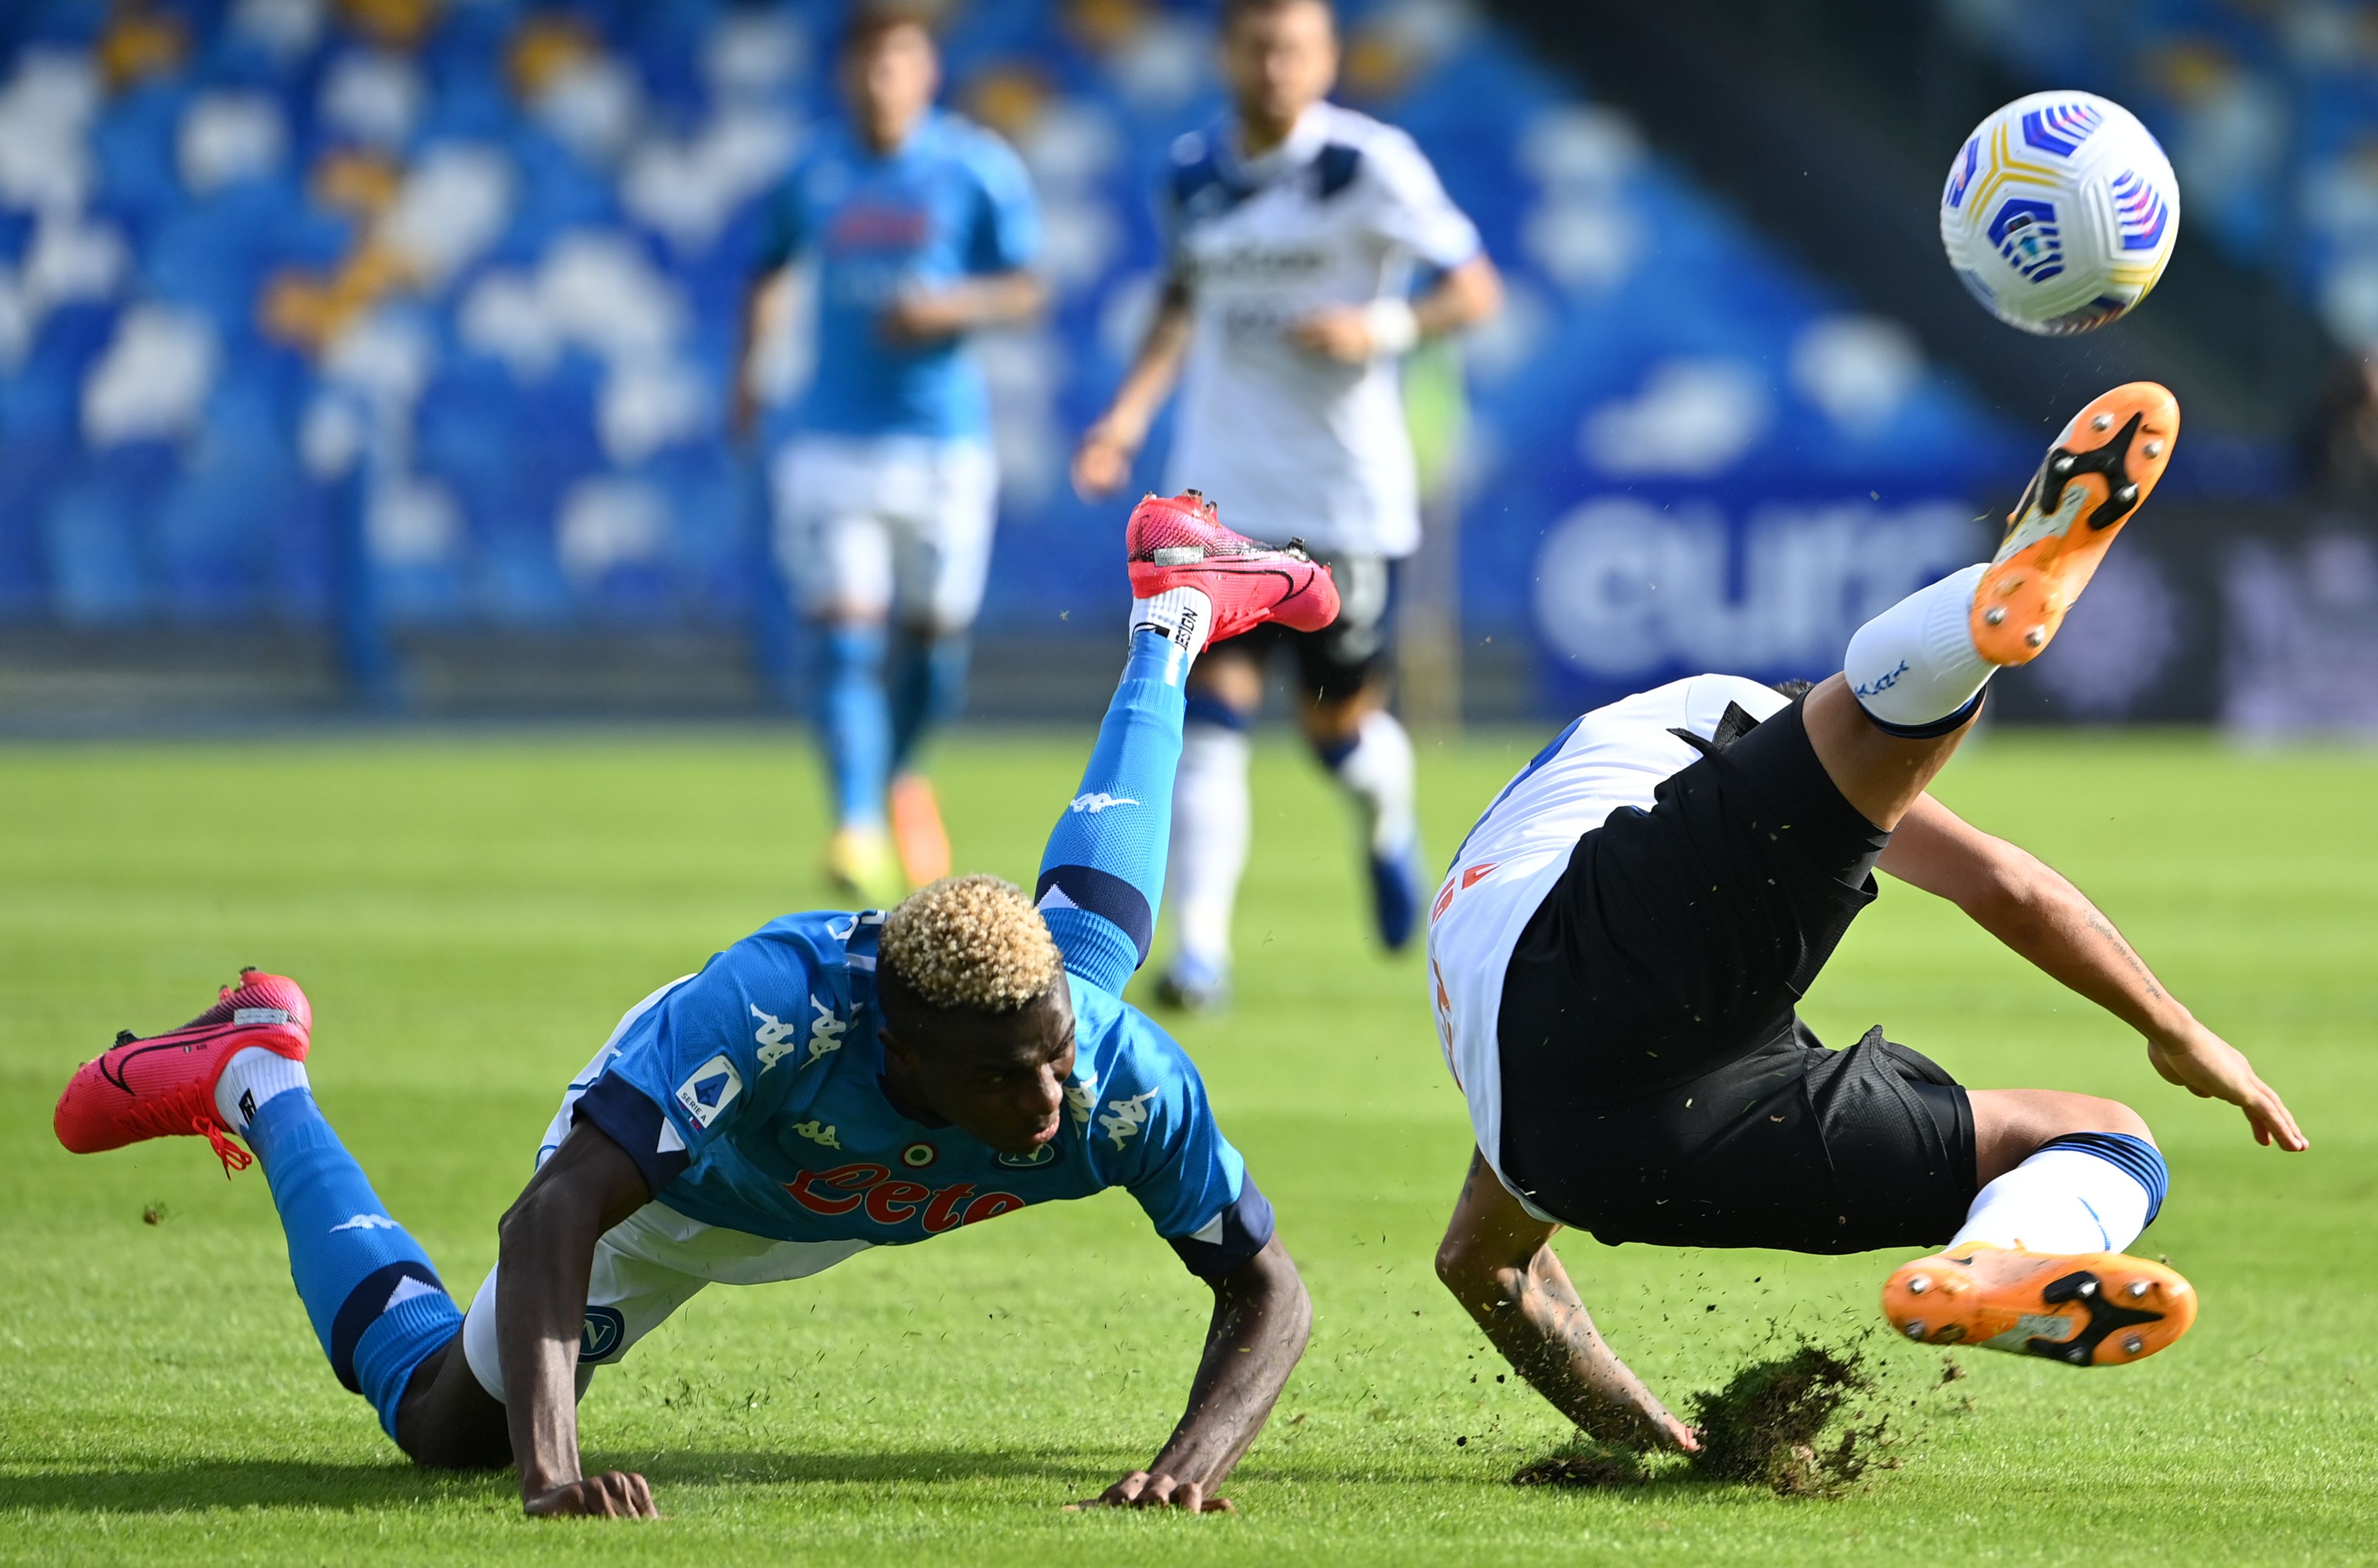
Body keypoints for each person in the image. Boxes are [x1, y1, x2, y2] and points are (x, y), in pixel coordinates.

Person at [54, 494, 1339, 1517]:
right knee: (443, 1428)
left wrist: (1188, 1466)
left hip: (927, 1076)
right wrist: (551, 1475)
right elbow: (552, 1213)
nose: (1051, 1102)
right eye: (1007, 1079)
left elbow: (1270, 1290)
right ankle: (259, 1075)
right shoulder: (770, 1017)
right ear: (898, 1051)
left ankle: (1172, 614)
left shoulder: (1108, 1074)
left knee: (1086, 959)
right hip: (702, 1191)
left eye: (1051, 1060)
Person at [1425, 385, 2307, 1451]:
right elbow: (2002, 881)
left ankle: (1994, 1260)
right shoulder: (1724, 711)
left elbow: (1483, 1262)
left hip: (1577, 1139)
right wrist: (2173, 1027)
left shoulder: (1575, 964)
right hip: (1592, 957)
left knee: (2098, 1135)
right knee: (1880, 710)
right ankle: (1989, 601)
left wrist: (1657, 1441)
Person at [1072, 0, 1502, 1011]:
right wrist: (1123, 419)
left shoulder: (1369, 166)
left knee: (1336, 733)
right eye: (1258, 47)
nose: (1274, 66)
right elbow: (1183, 299)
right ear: (1227, 55)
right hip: (1219, 498)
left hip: (1343, 504)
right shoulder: (1190, 174)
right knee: (1211, 715)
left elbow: (1474, 289)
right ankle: (1200, 953)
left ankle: (1386, 826)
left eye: (1294, 48)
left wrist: (1378, 327)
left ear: (1325, 58)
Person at [734, 1, 1047, 904]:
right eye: (868, 65)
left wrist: (948, 307)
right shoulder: (813, 168)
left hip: (942, 447)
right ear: (847, 74)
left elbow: (1025, 287)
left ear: (926, 74)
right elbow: (770, 266)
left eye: (898, 64)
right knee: (843, 638)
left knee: (934, 653)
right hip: (831, 441)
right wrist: (748, 373)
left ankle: (899, 776)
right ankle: (855, 823)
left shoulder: (975, 167)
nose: (882, 82)